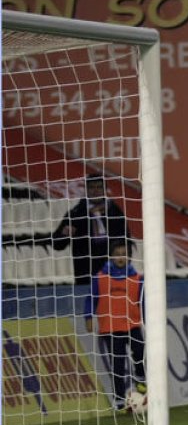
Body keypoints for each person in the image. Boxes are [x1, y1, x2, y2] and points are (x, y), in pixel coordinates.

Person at [84, 241, 145, 412]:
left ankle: (140, 379)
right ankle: (119, 400)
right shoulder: (100, 277)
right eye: (117, 254)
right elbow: (91, 298)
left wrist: (147, 319)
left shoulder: (137, 278)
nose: (120, 257)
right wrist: (88, 316)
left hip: (132, 324)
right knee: (117, 365)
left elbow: (143, 301)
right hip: (110, 327)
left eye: (124, 254)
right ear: (111, 256)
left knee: (140, 351)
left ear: (129, 257)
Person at [52, 174, 127, 285]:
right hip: (85, 273)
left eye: (99, 187)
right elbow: (57, 245)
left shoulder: (114, 211)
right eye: (92, 187)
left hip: (113, 270)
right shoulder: (76, 213)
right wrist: (64, 234)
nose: (95, 191)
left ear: (105, 190)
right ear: (86, 190)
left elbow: (127, 240)